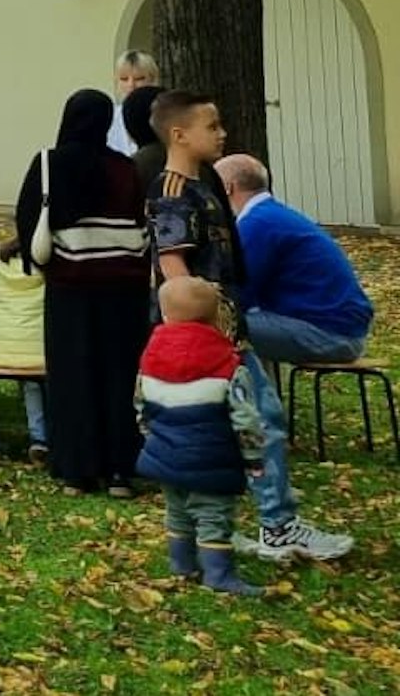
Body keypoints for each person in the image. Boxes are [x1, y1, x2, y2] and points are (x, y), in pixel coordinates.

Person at [147, 90, 352, 561]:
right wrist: (203, 335)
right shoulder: (172, 190)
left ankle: (253, 524)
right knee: (255, 423)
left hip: (230, 329)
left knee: (261, 423)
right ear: (179, 134)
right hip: (208, 338)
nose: (221, 134)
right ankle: (265, 526)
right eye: (211, 126)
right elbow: (174, 269)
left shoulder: (205, 186)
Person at [14, 88, 151, 494]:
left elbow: (28, 219)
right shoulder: (125, 168)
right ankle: (120, 469)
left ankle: (77, 467)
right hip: (123, 287)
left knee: (74, 373)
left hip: (70, 285)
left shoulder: (51, 164)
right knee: (119, 374)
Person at [135, 276, 267, 596]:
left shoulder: (150, 359)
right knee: (213, 515)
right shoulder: (228, 365)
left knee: (177, 512)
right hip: (211, 458)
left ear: (165, 316)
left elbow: (141, 405)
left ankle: (181, 566)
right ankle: (219, 575)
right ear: (215, 318)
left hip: (164, 453)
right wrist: (254, 459)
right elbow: (245, 418)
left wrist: (151, 436)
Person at [216, 153, 374, 365]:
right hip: (339, 330)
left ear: (227, 187)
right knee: (232, 324)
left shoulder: (258, 223)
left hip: (328, 335)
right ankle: (259, 394)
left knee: (216, 325)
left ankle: (255, 397)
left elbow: (239, 290)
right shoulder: (272, 215)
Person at [0, 241, 51, 464]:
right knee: (38, 382)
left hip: (6, 353)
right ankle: (44, 437)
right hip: (41, 351)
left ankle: (39, 437)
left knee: (30, 384)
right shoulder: (48, 271)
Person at [107, 50, 160, 154]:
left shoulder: (164, 115)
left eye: (139, 79)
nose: (131, 85)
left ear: (153, 80)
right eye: (124, 79)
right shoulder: (109, 117)